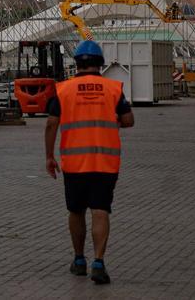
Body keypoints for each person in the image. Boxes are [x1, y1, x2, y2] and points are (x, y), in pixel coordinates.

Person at [45, 40, 135, 285]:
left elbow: (52, 123)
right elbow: (128, 120)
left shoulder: (63, 90)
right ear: (100, 63)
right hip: (105, 163)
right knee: (100, 210)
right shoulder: (113, 89)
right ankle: (98, 261)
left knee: (76, 210)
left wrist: (49, 156)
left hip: (74, 163)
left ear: (77, 64)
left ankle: (78, 259)